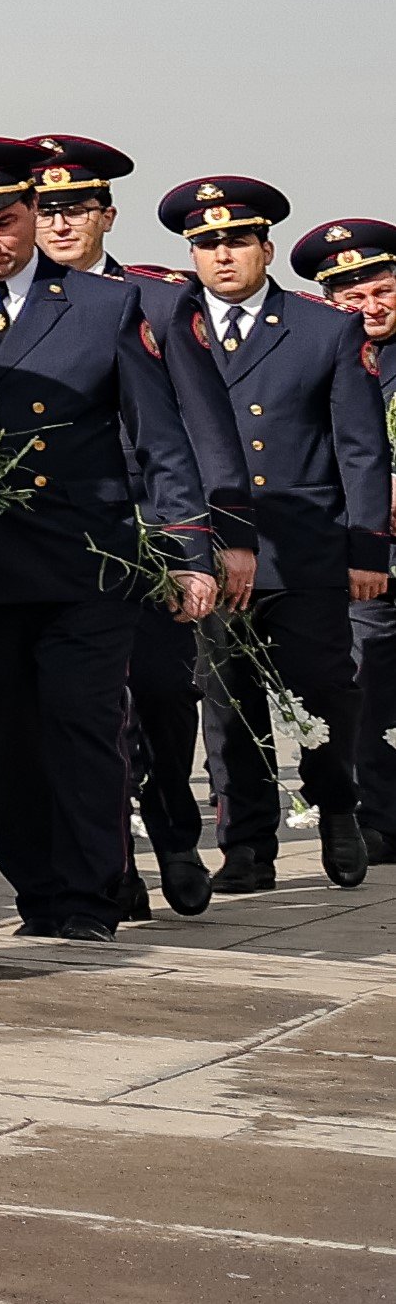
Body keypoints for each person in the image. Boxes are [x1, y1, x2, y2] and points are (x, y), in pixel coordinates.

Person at [0, 136, 225, 938]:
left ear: (32, 213)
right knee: (9, 739)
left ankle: (90, 897)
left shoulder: (104, 306)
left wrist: (190, 550)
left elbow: (161, 442)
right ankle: (39, 893)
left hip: (90, 564)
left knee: (85, 731)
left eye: (5, 220)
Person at [35, 137, 248, 914]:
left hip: (155, 531)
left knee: (161, 694)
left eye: (76, 209)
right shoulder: (17, 300)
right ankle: (112, 866)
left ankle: (175, 834)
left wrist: (226, 537)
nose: (60, 224)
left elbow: (208, 427)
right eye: (47, 209)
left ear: (107, 215)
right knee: (94, 710)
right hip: (64, 538)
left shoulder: (160, 300)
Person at [155, 175, 376, 892]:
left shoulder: (323, 327)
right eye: (206, 244)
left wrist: (368, 548)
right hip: (209, 549)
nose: (222, 256)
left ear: (266, 247)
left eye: (236, 241)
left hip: (302, 545)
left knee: (322, 691)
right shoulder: (164, 325)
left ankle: (336, 808)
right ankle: (247, 846)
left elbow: (360, 448)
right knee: (228, 701)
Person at [296, 215, 396, 854]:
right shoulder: (326, 358)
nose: (369, 306)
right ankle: (380, 819)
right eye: (350, 298)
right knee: (364, 687)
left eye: (381, 289)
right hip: (367, 557)